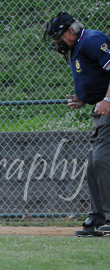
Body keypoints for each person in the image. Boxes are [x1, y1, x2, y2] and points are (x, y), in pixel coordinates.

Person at [44, 12, 110, 237]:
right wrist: (84, 98)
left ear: (70, 32)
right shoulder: (78, 47)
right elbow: (97, 79)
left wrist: (108, 100)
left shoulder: (92, 40)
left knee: (101, 158)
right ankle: (98, 218)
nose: (56, 43)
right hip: (101, 109)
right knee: (93, 161)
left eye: (57, 37)